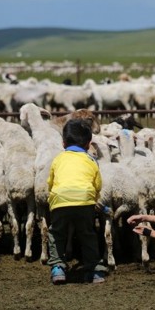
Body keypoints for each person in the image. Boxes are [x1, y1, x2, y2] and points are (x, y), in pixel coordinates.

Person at [47, 119, 108, 284]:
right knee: (87, 234)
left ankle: (58, 268)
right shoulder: (91, 161)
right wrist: (95, 201)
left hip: (60, 201)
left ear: (63, 142)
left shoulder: (58, 159)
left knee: (56, 234)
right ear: (89, 144)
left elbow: (50, 182)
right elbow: (97, 185)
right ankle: (94, 270)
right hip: (85, 201)